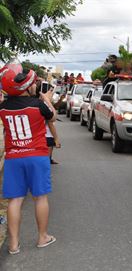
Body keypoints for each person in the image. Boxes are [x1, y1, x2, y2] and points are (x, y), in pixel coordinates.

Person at [0, 63, 57, 254]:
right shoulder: (38, 105)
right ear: (25, 86)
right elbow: (53, 117)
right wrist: (46, 99)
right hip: (37, 155)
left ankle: (13, 244)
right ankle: (42, 237)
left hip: (14, 158)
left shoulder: (3, 108)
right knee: (40, 197)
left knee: (15, 200)